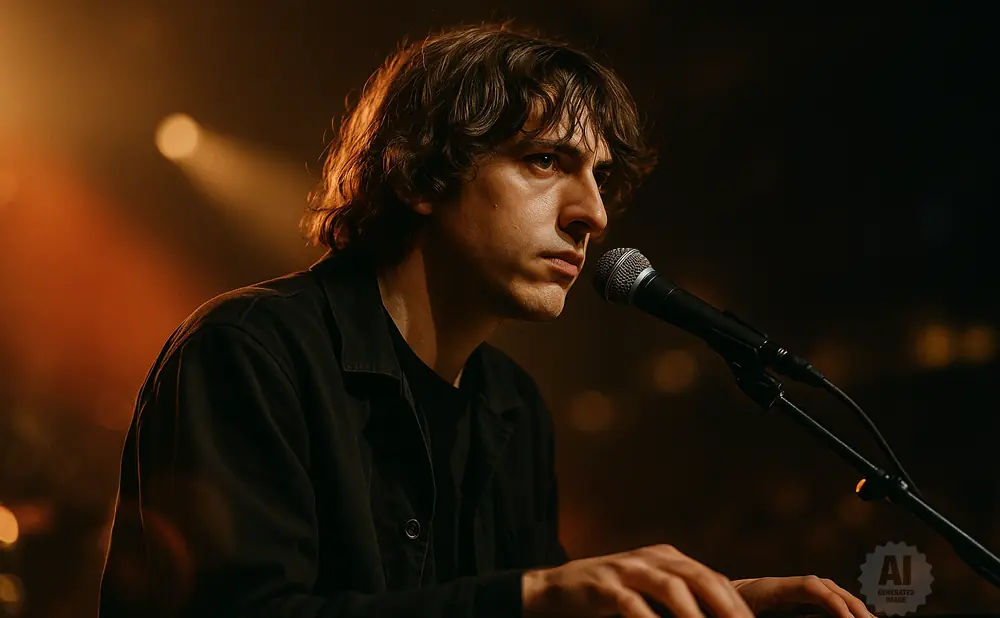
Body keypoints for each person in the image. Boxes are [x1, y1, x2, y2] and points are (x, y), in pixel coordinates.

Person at [99, 22, 874, 618]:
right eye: (545, 162)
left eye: (600, 178)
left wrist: (710, 602)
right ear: (416, 173)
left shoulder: (514, 409)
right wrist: (530, 599)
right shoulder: (248, 352)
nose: (594, 214)